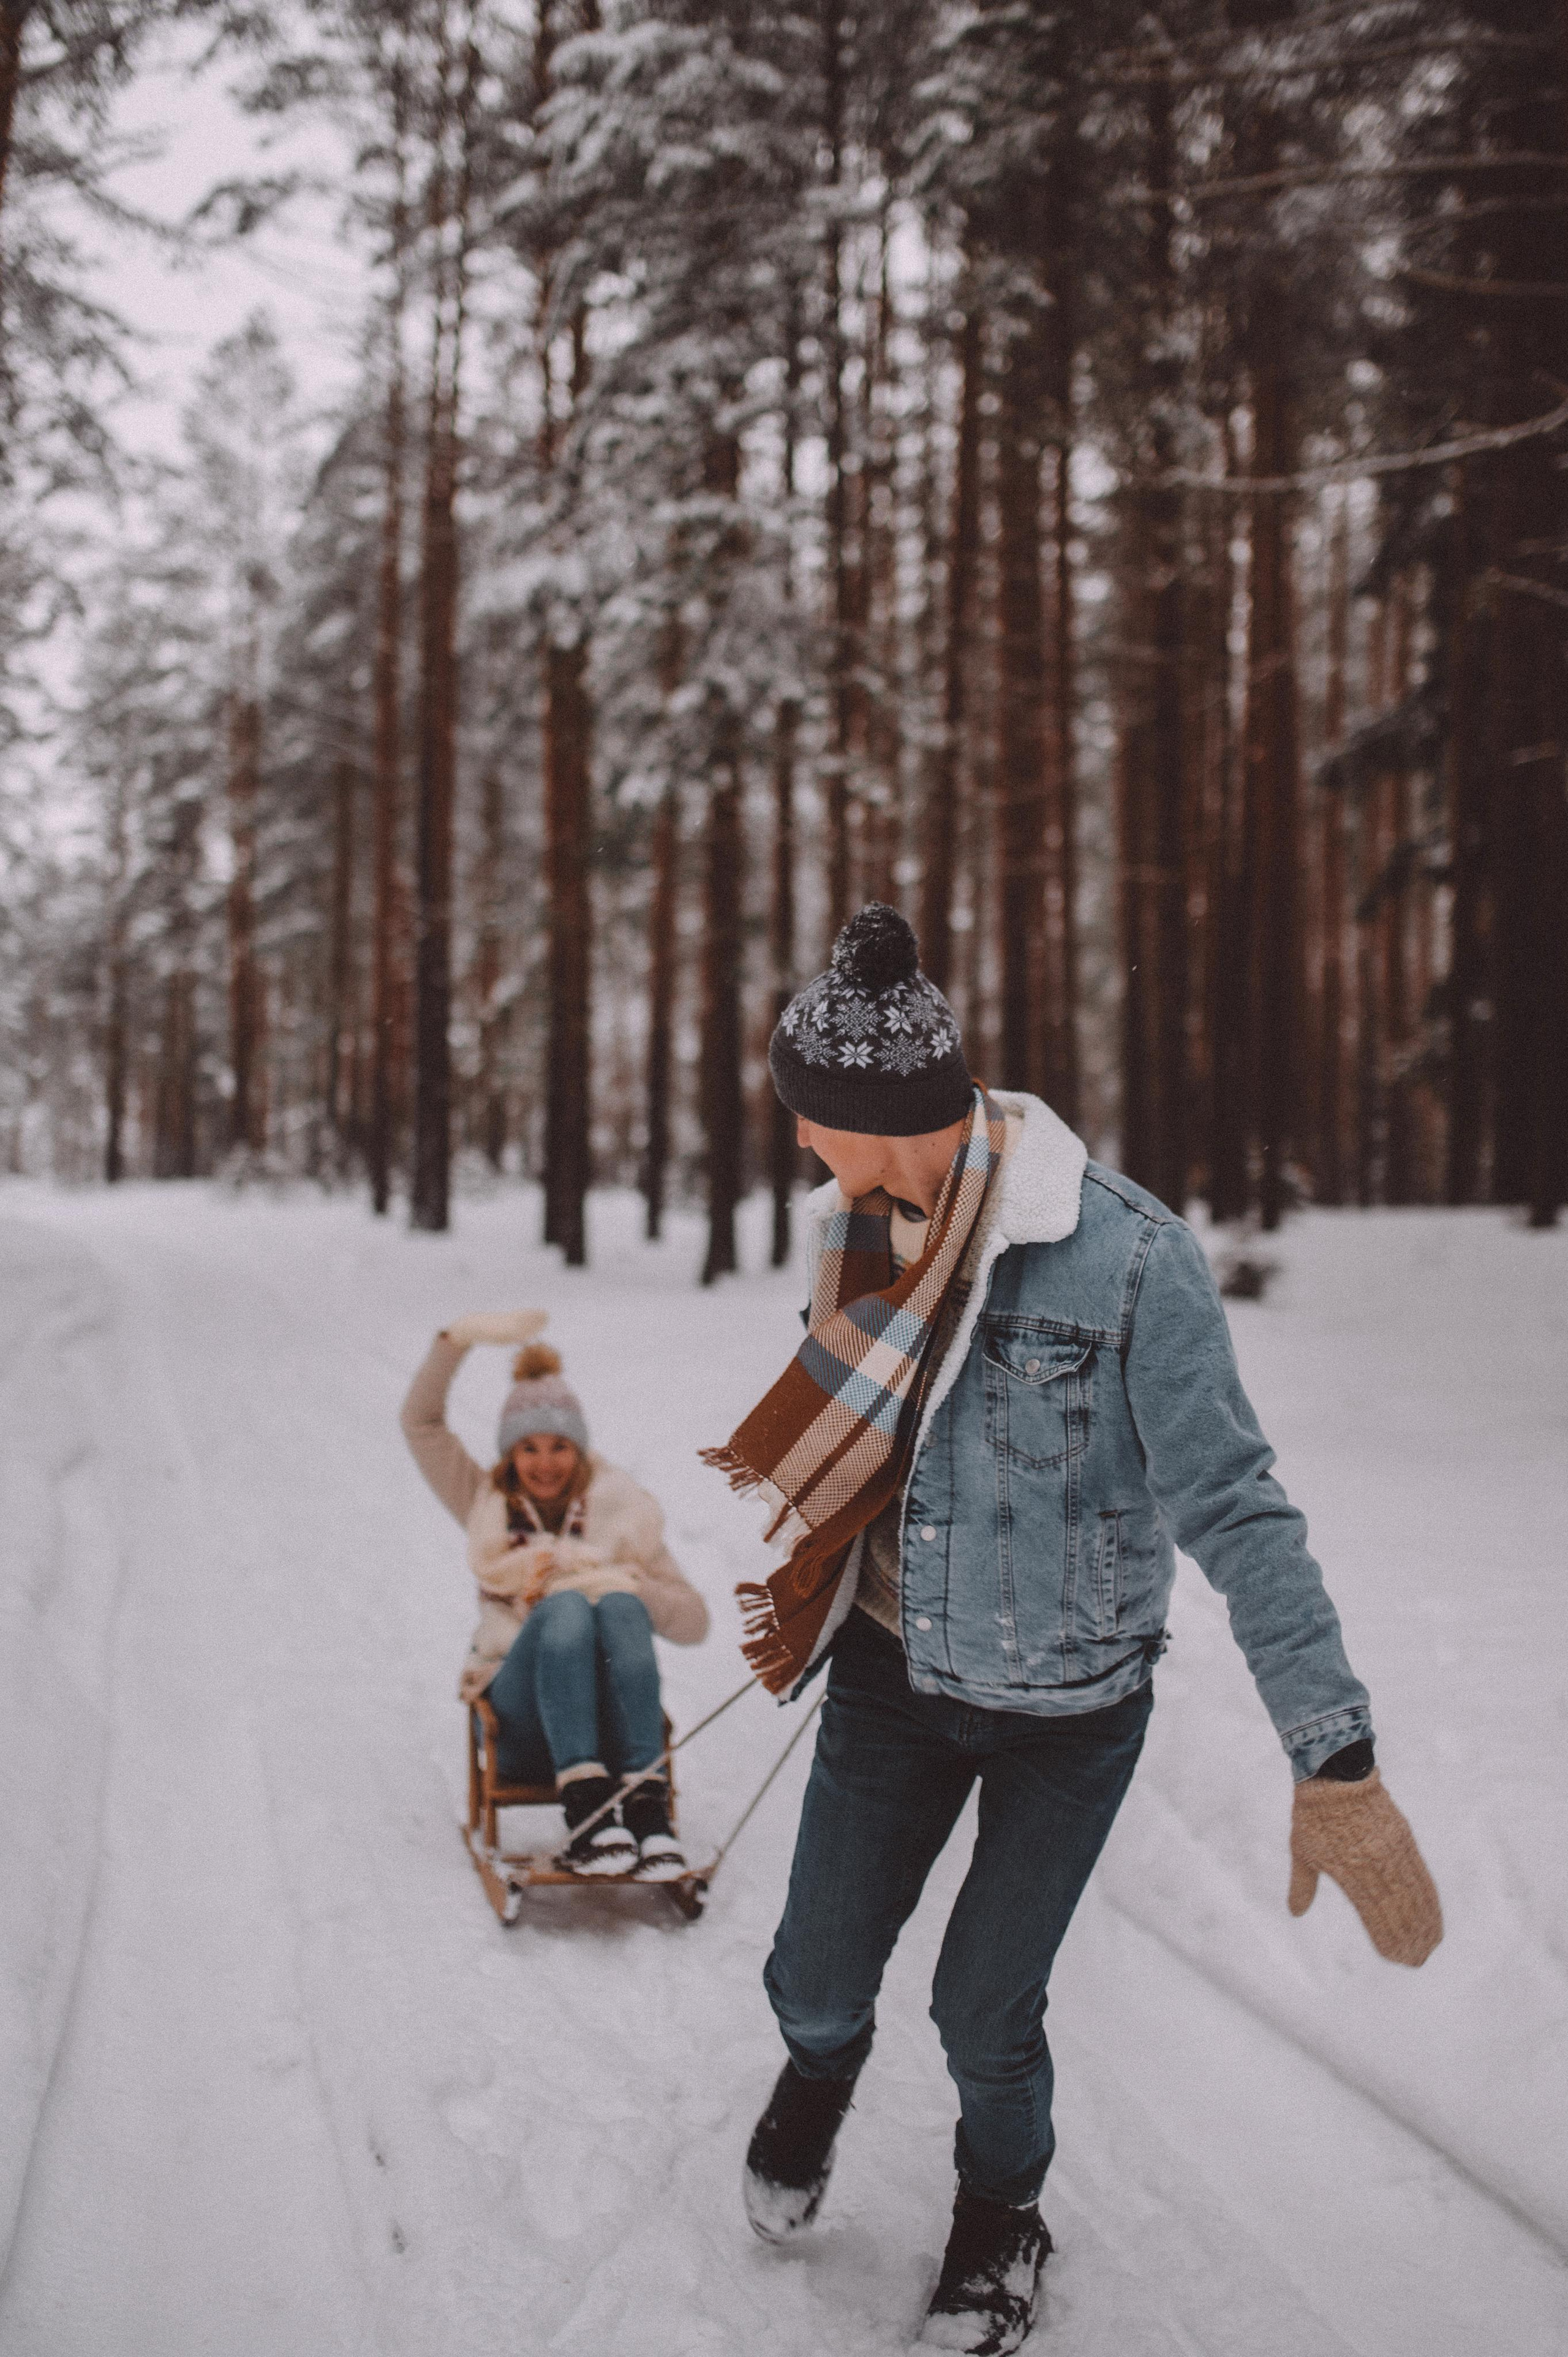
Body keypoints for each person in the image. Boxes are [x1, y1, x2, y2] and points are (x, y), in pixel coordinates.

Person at [706, 904, 1442, 2355]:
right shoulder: (851, 1231)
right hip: (890, 1670)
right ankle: (817, 2068)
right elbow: (872, 1442)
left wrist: (1332, 1745)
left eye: (810, 1119)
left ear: (871, 1114)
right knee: (812, 1969)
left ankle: (1001, 2213)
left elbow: (1234, 1503)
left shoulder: (1123, 1261)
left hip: (1070, 1705)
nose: (800, 1145)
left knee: (983, 2010)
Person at [402, 1312, 709, 1878]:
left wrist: (620, 1582)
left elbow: (694, 1622)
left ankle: (647, 1809)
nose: (544, 1463)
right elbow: (421, 1424)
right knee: (567, 1605)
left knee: (616, 1603)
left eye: (560, 1445)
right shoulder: (484, 1502)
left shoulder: (622, 1514)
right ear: (509, 1454)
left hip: (614, 1728)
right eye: (529, 1448)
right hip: (518, 1726)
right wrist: (456, 1342)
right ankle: (586, 1811)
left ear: (581, 1449)